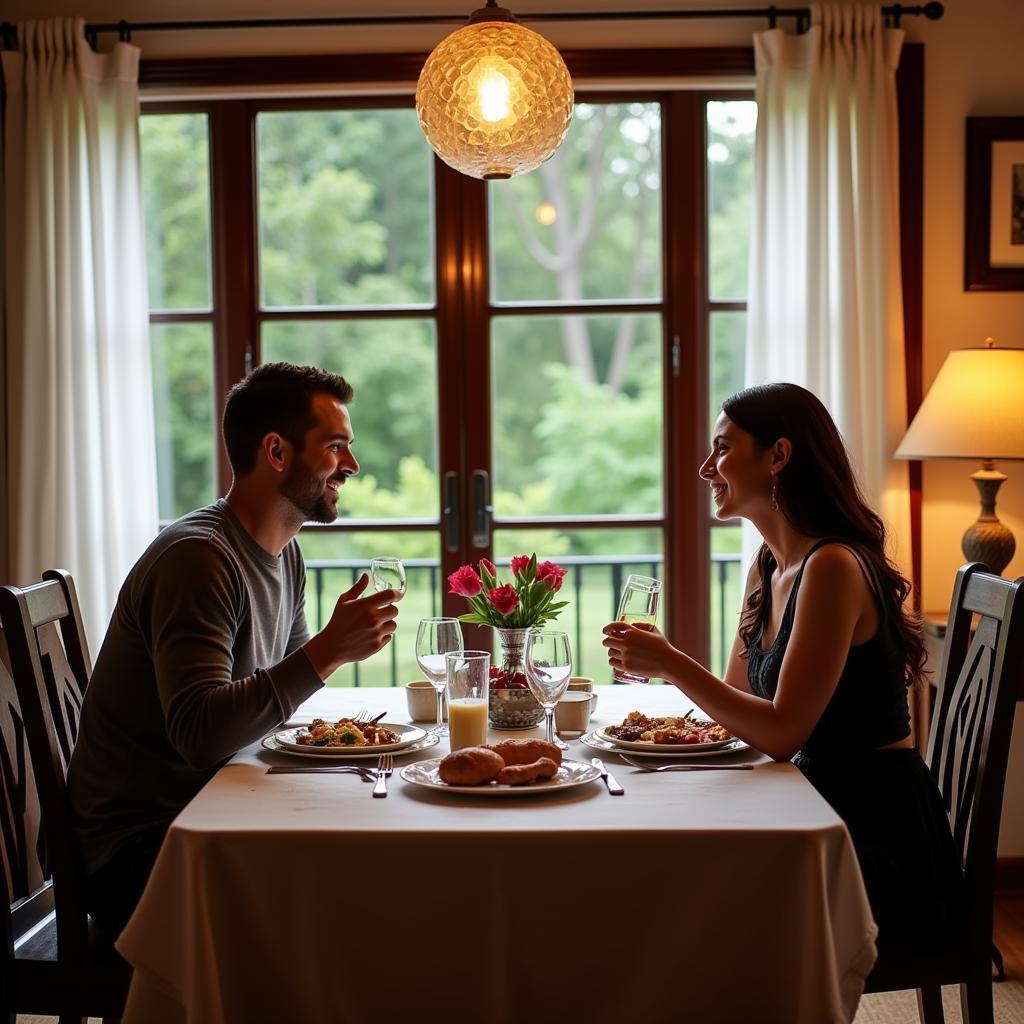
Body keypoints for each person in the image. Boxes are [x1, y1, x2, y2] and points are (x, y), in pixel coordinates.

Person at [602, 382, 963, 955]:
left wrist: (671, 663)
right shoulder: (770, 564)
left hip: (869, 837)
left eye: (722, 449)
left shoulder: (834, 568)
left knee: (683, 902)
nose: (705, 468)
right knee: (662, 873)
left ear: (779, 456)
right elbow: (739, 704)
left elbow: (779, 734)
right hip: (810, 801)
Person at [68, 362, 400, 941]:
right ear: (276, 451)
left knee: (375, 857)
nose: (351, 466)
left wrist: (337, 690)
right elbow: (200, 735)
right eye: (336, 447)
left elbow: (282, 705)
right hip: (140, 854)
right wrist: (327, 651)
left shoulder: (284, 552)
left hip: (207, 814)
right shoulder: (198, 560)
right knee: (358, 904)